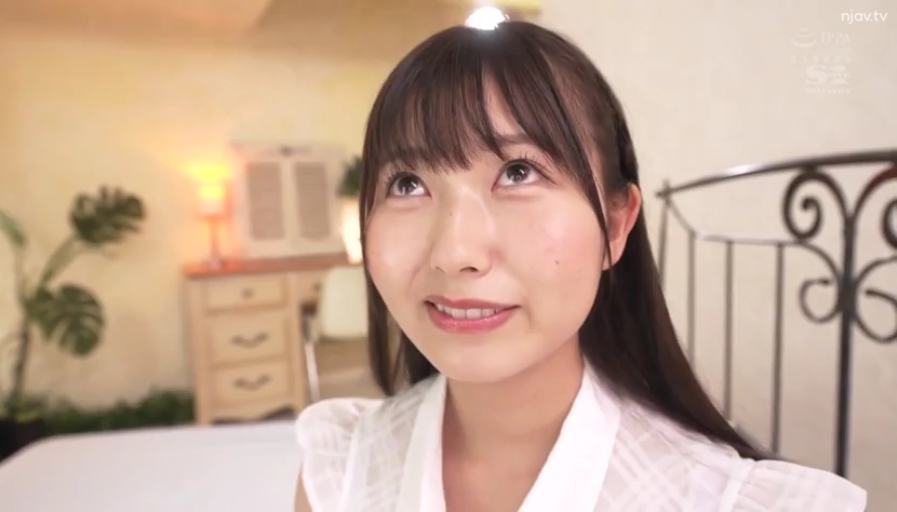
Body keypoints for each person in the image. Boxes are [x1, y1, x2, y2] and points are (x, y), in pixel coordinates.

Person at [293, 21, 867, 512]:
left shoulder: (723, 499)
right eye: (407, 183)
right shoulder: (340, 471)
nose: (455, 252)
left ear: (616, 226)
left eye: (518, 173)